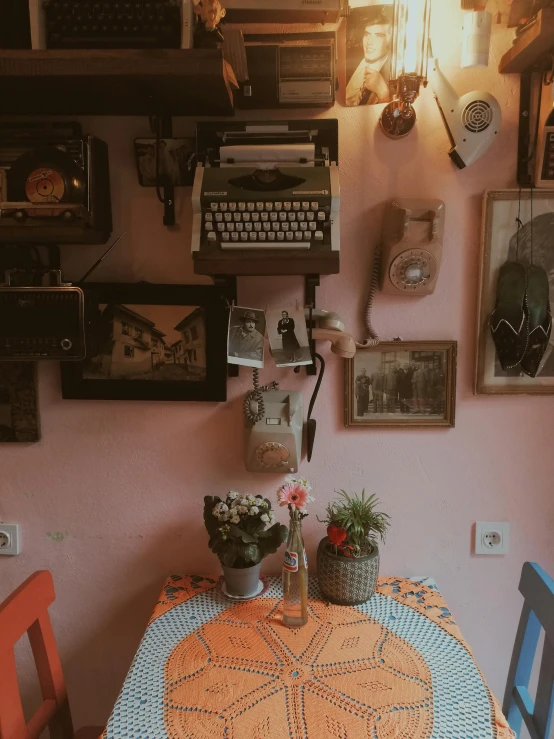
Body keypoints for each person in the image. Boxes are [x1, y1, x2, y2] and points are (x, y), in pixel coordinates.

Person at [346, 7, 392, 107]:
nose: (370, 42)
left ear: (389, 39)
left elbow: (397, 114)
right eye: (367, 34)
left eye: (379, 35)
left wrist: (384, 94)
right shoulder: (349, 59)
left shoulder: (395, 74)